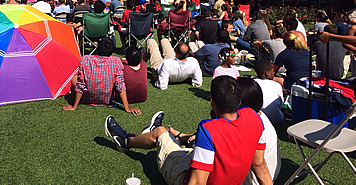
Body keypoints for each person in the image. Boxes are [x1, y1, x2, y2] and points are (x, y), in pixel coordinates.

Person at [104, 76, 272, 185]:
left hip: (184, 176)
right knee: (193, 145)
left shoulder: (209, 129)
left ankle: (125, 141)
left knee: (161, 133)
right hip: (217, 170)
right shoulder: (254, 117)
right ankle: (173, 139)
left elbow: (197, 183)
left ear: (212, 101)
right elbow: (259, 166)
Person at [63, 38, 141, 115]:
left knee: (75, 78)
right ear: (111, 51)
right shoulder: (116, 61)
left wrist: (74, 106)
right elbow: (120, 85)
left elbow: (80, 84)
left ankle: (76, 98)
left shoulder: (85, 59)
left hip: (87, 98)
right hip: (107, 99)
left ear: (97, 49)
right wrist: (127, 107)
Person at [238, 77, 281, 184]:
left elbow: (257, 165)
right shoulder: (261, 116)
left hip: (256, 179)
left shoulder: (248, 123)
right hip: (272, 172)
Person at [253, 60, 284, 125]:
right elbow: (281, 104)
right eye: (273, 71)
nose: (274, 73)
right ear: (267, 73)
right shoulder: (276, 85)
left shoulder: (252, 84)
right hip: (276, 119)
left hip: (257, 119)